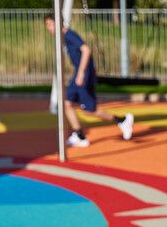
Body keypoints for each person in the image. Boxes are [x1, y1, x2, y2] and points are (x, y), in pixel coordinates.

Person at [44, 13, 134, 148]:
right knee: (72, 105)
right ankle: (81, 134)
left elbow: (86, 50)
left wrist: (80, 73)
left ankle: (122, 121)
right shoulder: (64, 38)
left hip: (83, 73)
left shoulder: (69, 35)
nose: (48, 28)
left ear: (57, 23)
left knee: (84, 108)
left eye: (49, 25)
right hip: (83, 72)